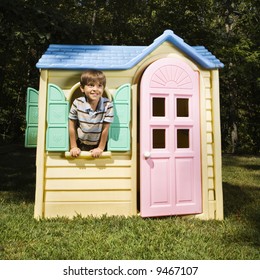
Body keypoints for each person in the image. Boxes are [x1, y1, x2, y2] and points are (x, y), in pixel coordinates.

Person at [69, 70, 114, 158]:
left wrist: (100, 148)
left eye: (99, 86)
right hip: (81, 143)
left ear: (103, 88)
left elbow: (105, 129)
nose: (95, 89)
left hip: (100, 144)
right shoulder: (77, 103)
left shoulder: (107, 105)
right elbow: (71, 125)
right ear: (82, 88)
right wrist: (74, 147)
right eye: (91, 85)